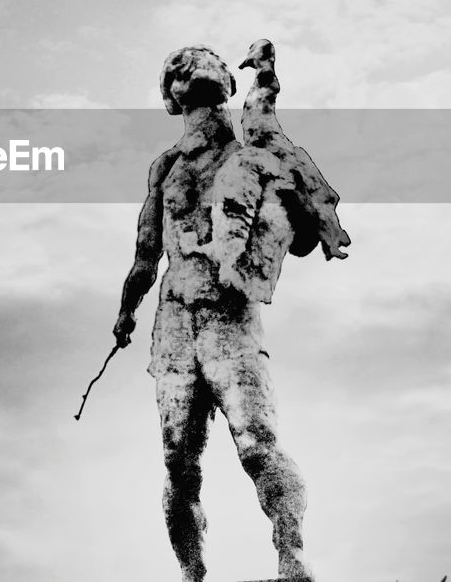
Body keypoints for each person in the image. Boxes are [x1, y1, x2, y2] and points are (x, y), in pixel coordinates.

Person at [113, 44, 342, 582]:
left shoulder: (253, 155)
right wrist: (125, 312)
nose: (193, 71)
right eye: (178, 68)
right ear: (170, 95)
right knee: (178, 463)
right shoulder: (165, 167)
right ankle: (192, 573)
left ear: (229, 84)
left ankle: (293, 560)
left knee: (257, 443)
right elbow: (147, 253)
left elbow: (300, 230)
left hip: (229, 314)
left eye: (207, 63)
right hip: (173, 323)